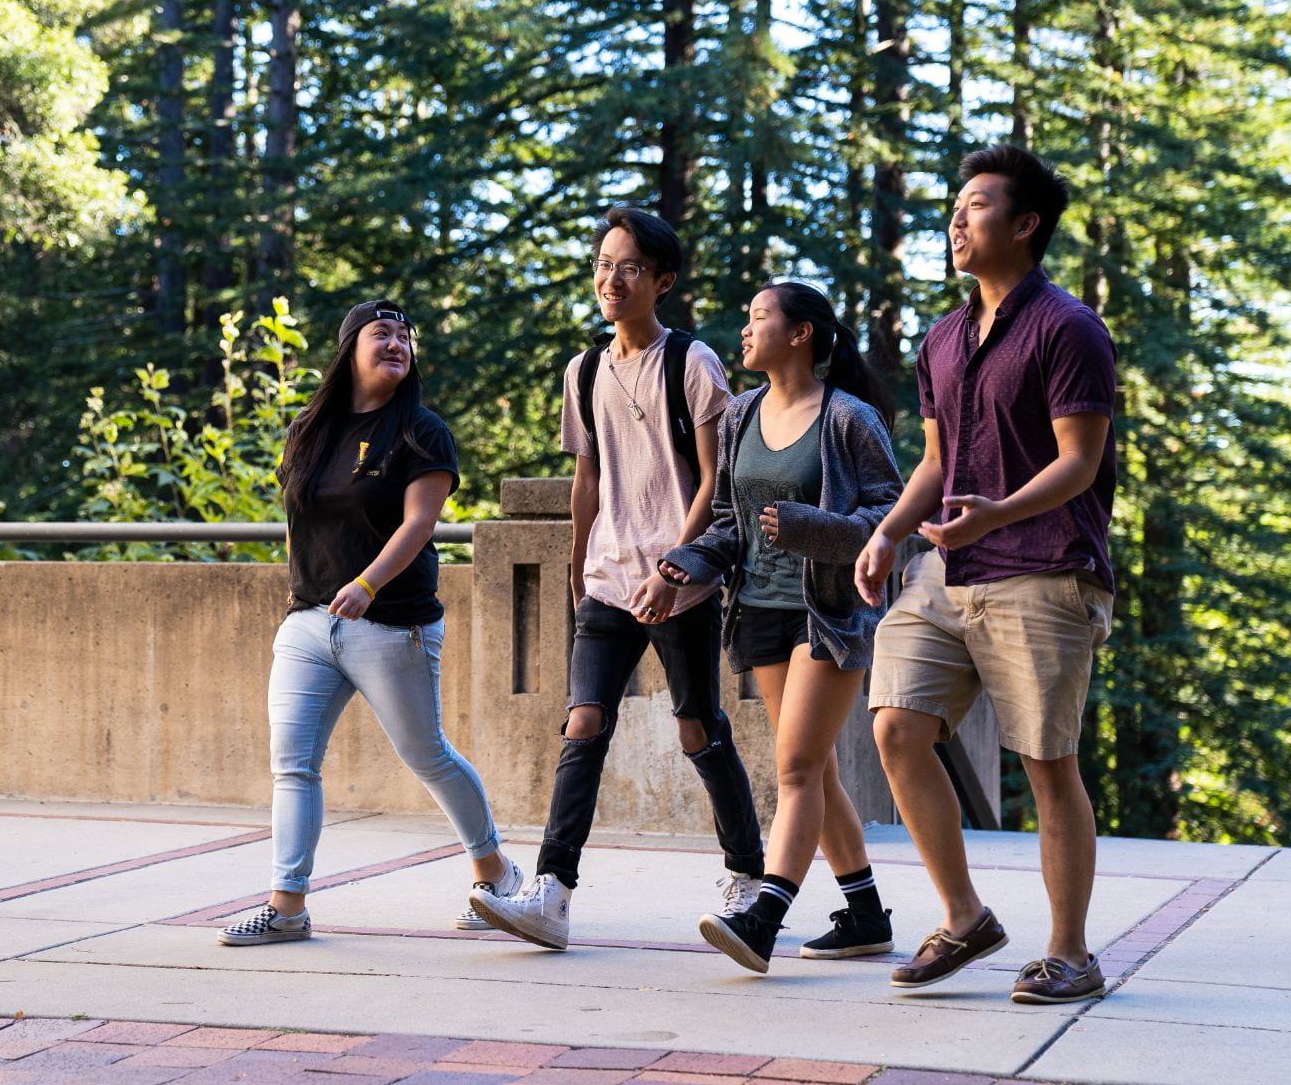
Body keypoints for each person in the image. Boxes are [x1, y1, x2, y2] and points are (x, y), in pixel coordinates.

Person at [855, 145, 1118, 1004]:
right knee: (896, 726)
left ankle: (1071, 953)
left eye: (975, 206)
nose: (957, 221)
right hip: (949, 567)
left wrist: (999, 513)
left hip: (1045, 570)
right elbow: (935, 463)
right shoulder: (942, 337)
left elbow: (1079, 463)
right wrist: (891, 533)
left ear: (1025, 224)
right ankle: (965, 917)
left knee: (1047, 763)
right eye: (956, 207)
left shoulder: (1067, 327)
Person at [468, 208, 762, 951]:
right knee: (583, 723)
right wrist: (577, 572)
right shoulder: (585, 369)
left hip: (682, 583)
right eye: (603, 263)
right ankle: (553, 894)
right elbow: (587, 479)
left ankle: (748, 877)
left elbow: (714, 481)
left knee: (699, 728)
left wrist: (677, 565)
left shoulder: (691, 363)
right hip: (607, 582)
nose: (611, 277)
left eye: (629, 266)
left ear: (661, 281)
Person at [221, 300, 518, 945]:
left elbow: (419, 524)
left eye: (403, 336)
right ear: (349, 348)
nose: (396, 344)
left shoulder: (421, 431)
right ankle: (288, 906)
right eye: (380, 333)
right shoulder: (311, 428)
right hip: (307, 622)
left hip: (392, 625)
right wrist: (320, 591)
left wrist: (366, 584)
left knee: (425, 753)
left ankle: (495, 873)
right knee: (292, 765)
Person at [647, 282, 904, 973]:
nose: (745, 328)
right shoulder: (738, 415)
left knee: (794, 768)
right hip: (756, 608)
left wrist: (814, 528)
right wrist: (690, 559)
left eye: (760, 316)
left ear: (802, 334)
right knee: (813, 766)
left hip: (829, 614)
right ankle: (864, 914)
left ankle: (764, 916)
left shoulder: (850, 420)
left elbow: (890, 520)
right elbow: (730, 523)